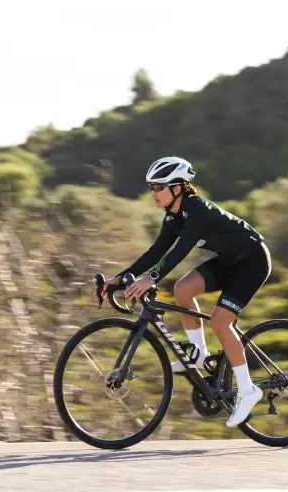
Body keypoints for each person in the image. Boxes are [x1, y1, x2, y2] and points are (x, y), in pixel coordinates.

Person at [101, 156, 272, 428]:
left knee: (219, 322)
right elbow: (156, 251)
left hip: (252, 262)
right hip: (229, 261)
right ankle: (200, 353)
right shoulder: (173, 215)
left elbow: (180, 251)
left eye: (159, 187)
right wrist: (120, 278)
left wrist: (152, 278)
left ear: (178, 187)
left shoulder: (198, 209)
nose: (153, 194)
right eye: (151, 188)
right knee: (182, 289)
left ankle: (248, 390)